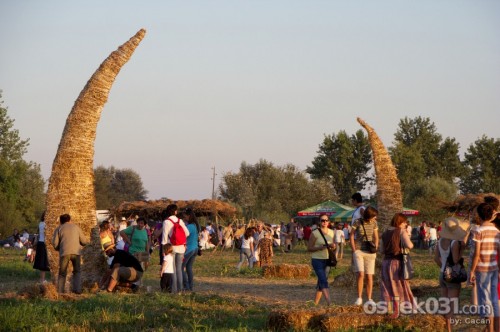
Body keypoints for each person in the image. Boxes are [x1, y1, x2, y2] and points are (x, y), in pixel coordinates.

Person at [434, 216, 469, 332]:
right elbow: (455, 260)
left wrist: (443, 268)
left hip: (442, 273)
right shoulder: (454, 242)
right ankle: (449, 329)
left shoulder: (439, 241)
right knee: (452, 304)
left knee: (444, 302)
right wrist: (462, 251)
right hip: (452, 276)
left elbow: (436, 259)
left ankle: (444, 326)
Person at [470, 203, 499, 332]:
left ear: (479, 215)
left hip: (482, 269)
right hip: (494, 267)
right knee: (494, 298)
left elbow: (477, 254)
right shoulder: (497, 231)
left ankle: (490, 328)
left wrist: (471, 270)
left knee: (485, 299)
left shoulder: (478, 230)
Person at [380, 213, 415, 318]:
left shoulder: (385, 232)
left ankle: (390, 310)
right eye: (405, 222)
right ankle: (401, 310)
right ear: (400, 222)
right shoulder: (401, 232)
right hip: (397, 262)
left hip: (386, 263)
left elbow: (381, 250)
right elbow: (410, 245)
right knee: (399, 286)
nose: (406, 224)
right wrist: (408, 236)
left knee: (387, 287)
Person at [52, 213, 89, 294]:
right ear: (69, 220)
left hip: (64, 253)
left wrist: (60, 248)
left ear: (61, 221)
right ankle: (77, 290)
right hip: (76, 252)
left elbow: (55, 244)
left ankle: (60, 292)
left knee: (62, 273)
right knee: (77, 271)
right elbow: (84, 241)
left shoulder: (59, 228)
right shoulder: (76, 227)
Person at [350, 206, 379, 305]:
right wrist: (354, 249)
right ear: (370, 215)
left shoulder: (374, 223)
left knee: (370, 276)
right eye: (374, 216)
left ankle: (370, 298)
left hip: (370, 251)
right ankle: (359, 298)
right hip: (359, 251)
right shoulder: (357, 222)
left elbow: (376, 236)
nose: (375, 218)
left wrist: (376, 246)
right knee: (361, 274)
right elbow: (352, 235)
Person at [307, 214, 335, 306]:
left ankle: (315, 303)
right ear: (319, 222)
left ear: (329, 222)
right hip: (317, 260)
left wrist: (333, 246)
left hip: (327, 260)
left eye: (326, 220)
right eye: (322, 220)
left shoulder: (331, 232)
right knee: (323, 280)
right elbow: (309, 248)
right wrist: (321, 247)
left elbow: (333, 246)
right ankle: (330, 303)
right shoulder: (315, 233)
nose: (324, 222)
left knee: (321, 282)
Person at [161, 204, 189, 294]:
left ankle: (174, 289)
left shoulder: (166, 222)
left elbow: (164, 238)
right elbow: (187, 233)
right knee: (179, 269)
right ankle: (180, 290)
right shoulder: (180, 220)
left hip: (171, 248)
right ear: (175, 211)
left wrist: (163, 250)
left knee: (172, 269)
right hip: (181, 248)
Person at [182, 208, 200, 291]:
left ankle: (186, 286)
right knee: (189, 268)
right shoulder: (196, 225)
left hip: (189, 249)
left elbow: (183, 236)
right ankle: (191, 286)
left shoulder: (189, 226)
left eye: (185, 216)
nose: (184, 218)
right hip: (195, 248)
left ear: (188, 216)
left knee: (181, 268)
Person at [33, 212, 50, 283]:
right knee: (44, 262)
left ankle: (41, 279)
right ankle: (42, 279)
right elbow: (47, 234)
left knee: (41, 262)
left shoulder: (40, 223)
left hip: (40, 243)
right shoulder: (46, 225)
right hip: (44, 243)